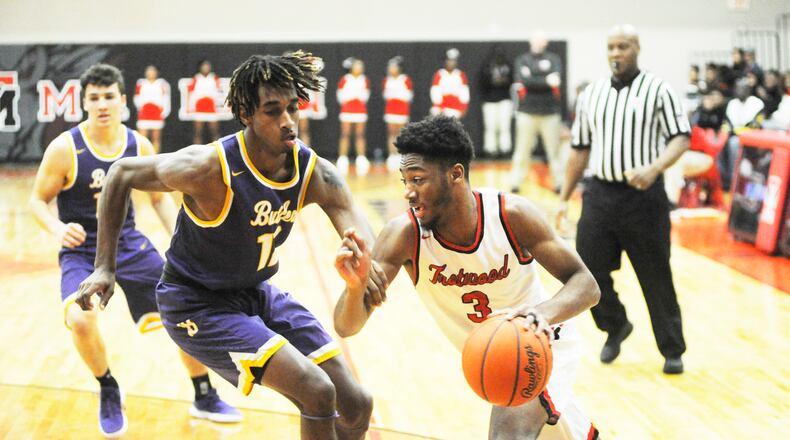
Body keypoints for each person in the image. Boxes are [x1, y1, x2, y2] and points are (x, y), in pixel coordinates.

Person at [76, 52, 376, 440]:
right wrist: (104, 267)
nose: (287, 121)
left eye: (292, 108)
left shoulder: (311, 169)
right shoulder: (208, 167)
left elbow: (353, 218)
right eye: (272, 111)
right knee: (316, 391)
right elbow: (120, 172)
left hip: (256, 292)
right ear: (246, 114)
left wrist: (370, 266)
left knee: (356, 403)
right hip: (195, 302)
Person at [333, 115, 601, 440]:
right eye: (406, 182)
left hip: (541, 339)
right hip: (494, 353)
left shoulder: (511, 216)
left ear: (455, 174)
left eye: (418, 180)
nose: (409, 192)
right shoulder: (404, 235)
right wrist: (355, 286)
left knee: (507, 433)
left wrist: (539, 314)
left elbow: (586, 284)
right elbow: (347, 325)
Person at [29, 63, 240, 438]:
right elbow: (37, 200)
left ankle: (203, 394)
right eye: (95, 97)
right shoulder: (65, 149)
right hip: (83, 251)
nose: (103, 104)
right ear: (84, 103)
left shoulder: (137, 144)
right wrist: (58, 229)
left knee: (184, 307)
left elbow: (159, 199)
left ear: (123, 100)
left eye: (109, 96)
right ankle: (109, 387)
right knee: (80, 319)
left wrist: (183, 238)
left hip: (127, 243)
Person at [556, 25, 690, 374]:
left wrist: (654, 167)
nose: (616, 53)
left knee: (655, 274)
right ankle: (615, 325)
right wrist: (563, 197)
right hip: (600, 193)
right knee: (585, 269)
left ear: (637, 48)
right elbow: (579, 150)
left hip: (644, 197)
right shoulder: (592, 94)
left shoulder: (659, 90)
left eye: (624, 47)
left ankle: (672, 349)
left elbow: (680, 137)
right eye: (611, 47)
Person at [511, 31, 565, 193]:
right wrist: (545, 81)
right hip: (527, 112)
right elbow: (524, 81)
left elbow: (556, 80)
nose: (540, 43)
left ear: (546, 42)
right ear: (531, 41)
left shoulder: (553, 60)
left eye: (542, 40)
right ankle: (516, 182)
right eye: (537, 40)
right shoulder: (523, 60)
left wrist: (534, 79)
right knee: (522, 150)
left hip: (550, 113)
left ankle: (559, 183)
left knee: (554, 151)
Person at [720, 78, 764, 190]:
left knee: (734, 143)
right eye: (737, 88)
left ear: (748, 90)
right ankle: (724, 181)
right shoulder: (732, 103)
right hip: (733, 136)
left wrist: (736, 131)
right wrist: (725, 133)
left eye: (742, 88)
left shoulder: (757, 103)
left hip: (751, 140)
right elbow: (726, 123)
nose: (739, 91)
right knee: (719, 143)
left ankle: (733, 180)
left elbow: (756, 125)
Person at [336, 57, 370, 176]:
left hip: (360, 111)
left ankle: (361, 158)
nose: (359, 69)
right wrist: (352, 96)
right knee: (345, 134)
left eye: (361, 67)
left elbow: (365, 96)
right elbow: (341, 97)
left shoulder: (364, 80)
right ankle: (342, 158)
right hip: (347, 110)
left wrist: (356, 96)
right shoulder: (345, 80)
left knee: (360, 134)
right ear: (352, 68)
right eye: (357, 66)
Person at [479, 45, 514, 159]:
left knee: (505, 126)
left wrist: (503, 82)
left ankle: (505, 149)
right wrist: (493, 82)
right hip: (489, 101)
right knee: (490, 127)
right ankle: (491, 149)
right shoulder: (487, 66)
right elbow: (482, 82)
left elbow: (512, 81)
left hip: (505, 99)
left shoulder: (508, 65)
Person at [382, 56, 413, 172]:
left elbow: (408, 96)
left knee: (401, 133)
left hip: (402, 111)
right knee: (391, 133)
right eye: (390, 67)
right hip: (390, 110)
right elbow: (386, 96)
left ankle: (402, 155)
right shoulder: (387, 80)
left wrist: (397, 95)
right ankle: (392, 155)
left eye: (393, 67)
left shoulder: (405, 80)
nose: (391, 69)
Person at [133, 65, 170, 152]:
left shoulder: (162, 84)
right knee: (142, 139)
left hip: (156, 114)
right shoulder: (141, 83)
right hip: (144, 114)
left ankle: (154, 159)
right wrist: (141, 109)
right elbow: (136, 98)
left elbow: (166, 99)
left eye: (153, 71)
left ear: (156, 72)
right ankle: (142, 159)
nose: (150, 73)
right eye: (149, 71)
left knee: (156, 139)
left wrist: (164, 113)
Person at [187, 60, 222, 144]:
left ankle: (217, 152)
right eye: (204, 66)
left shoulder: (214, 77)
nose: (206, 68)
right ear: (200, 67)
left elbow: (219, 92)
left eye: (207, 66)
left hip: (211, 107)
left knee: (214, 131)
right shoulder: (196, 78)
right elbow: (190, 92)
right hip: (199, 107)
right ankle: (196, 152)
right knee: (197, 132)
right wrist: (189, 106)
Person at [430, 48, 469, 118]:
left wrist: (463, 107)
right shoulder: (440, 74)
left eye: (453, 61)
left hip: (455, 107)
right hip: (441, 108)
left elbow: (464, 92)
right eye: (449, 60)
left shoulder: (460, 75)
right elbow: (435, 91)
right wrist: (438, 106)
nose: (451, 63)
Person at [297, 58, 328, 146]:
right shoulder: (296, 78)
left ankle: (304, 150)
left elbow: (314, 95)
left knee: (303, 130)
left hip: (303, 107)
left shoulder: (315, 80)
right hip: (293, 106)